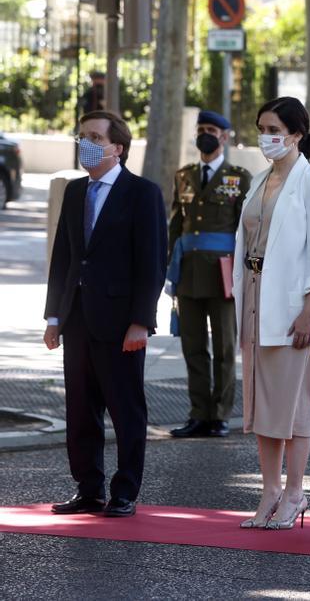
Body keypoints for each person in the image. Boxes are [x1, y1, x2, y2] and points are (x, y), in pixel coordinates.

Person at [44, 111, 167, 517]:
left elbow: (152, 263)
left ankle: (125, 490)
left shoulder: (142, 193)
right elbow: (63, 258)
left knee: (125, 407)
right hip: (77, 316)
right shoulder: (76, 192)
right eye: (82, 136)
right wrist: (53, 318)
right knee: (80, 408)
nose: (86, 143)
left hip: (120, 322)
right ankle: (89, 487)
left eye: (95, 136)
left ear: (118, 147)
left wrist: (141, 321)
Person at [234, 97, 310, 529]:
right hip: (256, 297)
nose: (266, 137)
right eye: (261, 128)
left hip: (293, 305)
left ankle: (295, 492)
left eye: (274, 129)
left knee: (292, 405)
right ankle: (270, 488)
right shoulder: (259, 179)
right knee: (260, 404)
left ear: (296, 134)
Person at [167, 111, 253, 439]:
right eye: (201, 129)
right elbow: (177, 223)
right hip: (188, 272)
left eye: (212, 130)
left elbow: (247, 230)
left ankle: (220, 415)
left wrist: (247, 271)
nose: (206, 134)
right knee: (193, 346)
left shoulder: (239, 178)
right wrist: (168, 265)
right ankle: (198, 413)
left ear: (225, 137)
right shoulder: (184, 175)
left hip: (224, 274)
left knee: (224, 347)